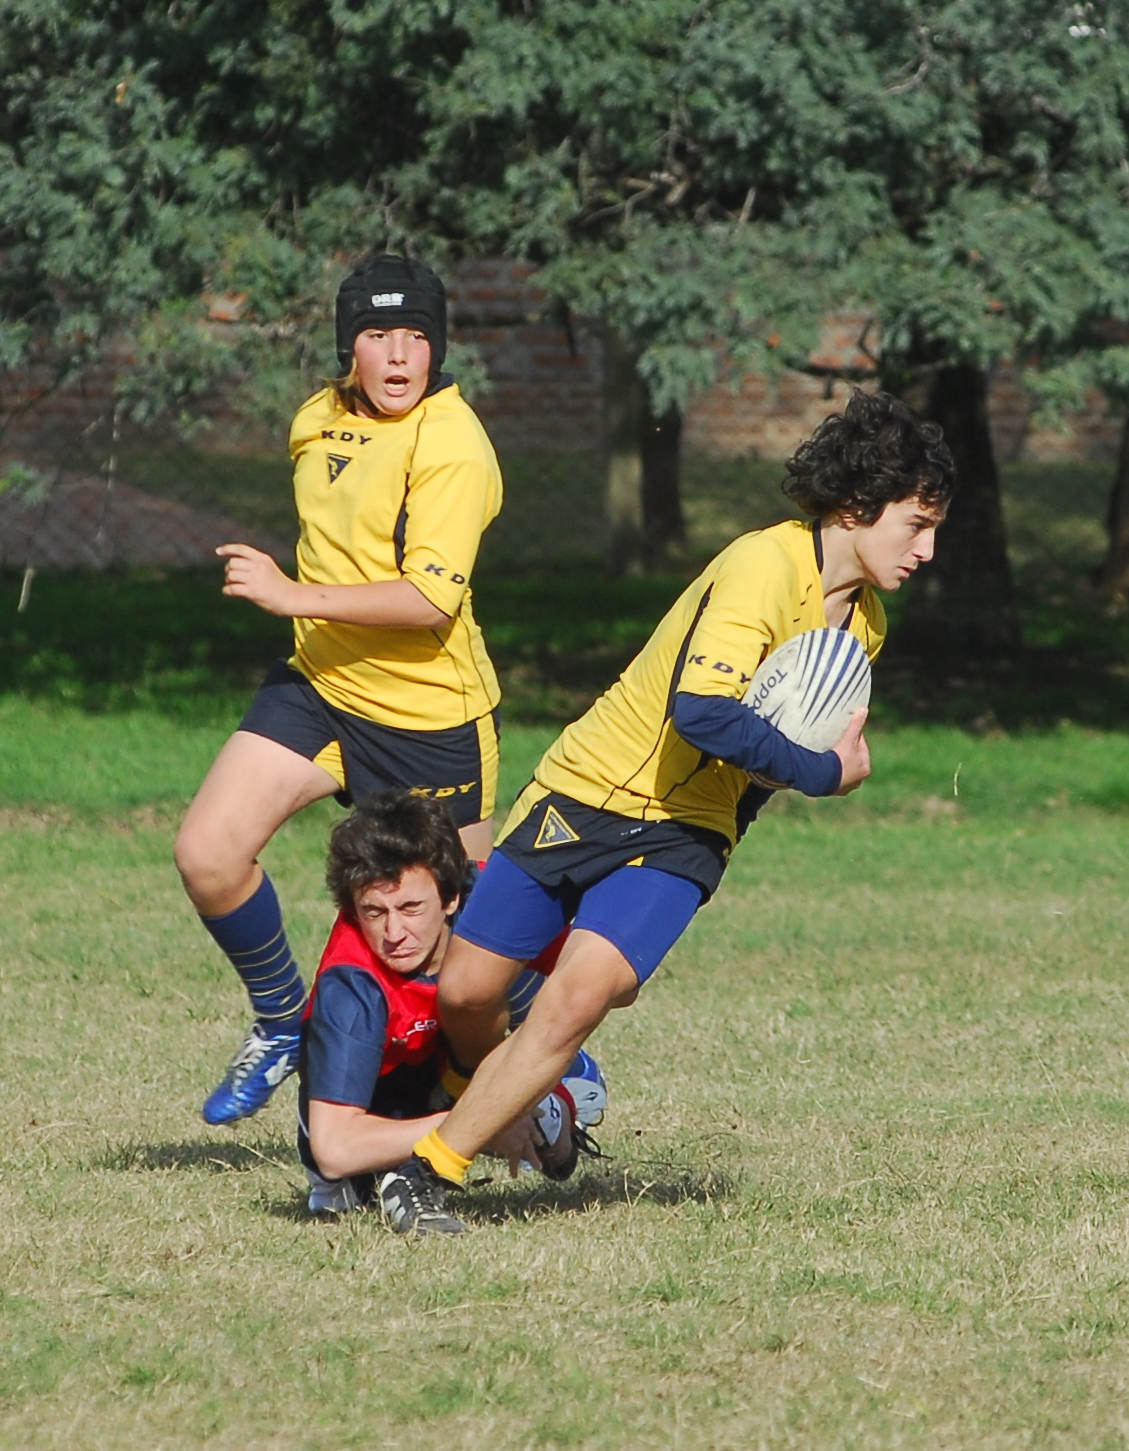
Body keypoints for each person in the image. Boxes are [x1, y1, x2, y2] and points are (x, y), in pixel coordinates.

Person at [373, 388, 957, 1235]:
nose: (928, 550)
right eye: (916, 524)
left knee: (581, 995)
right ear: (857, 506)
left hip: (684, 836)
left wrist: (711, 851)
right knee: (465, 990)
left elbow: (757, 765)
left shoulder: (860, 627)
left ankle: (426, 1173)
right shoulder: (764, 565)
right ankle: (505, 1097)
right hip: (587, 789)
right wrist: (826, 775)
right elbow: (704, 712)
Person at [174, 252, 505, 1126]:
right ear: (347, 348)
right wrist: (306, 614)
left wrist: (289, 595)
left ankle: (518, 1093)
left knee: (469, 957)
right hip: (321, 685)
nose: (399, 356)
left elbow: (431, 597)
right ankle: (285, 1020)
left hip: (429, 718)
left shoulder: (453, 441)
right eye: (376, 335)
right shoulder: (316, 419)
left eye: (416, 338)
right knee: (209, 853)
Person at [298, 789, 606, 1224]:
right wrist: (484, 1124)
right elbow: (334, 1150)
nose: (393, 932)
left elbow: (591, 972)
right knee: (344, 1192)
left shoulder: (496, 899)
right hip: (386, 1086)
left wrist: (545, 1053)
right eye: (373, 911)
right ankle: (519, 1100)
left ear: (451, 898)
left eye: (410, 907)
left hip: (469, 1053)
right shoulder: (351, 986)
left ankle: (561, 1085)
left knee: (551, 1141)